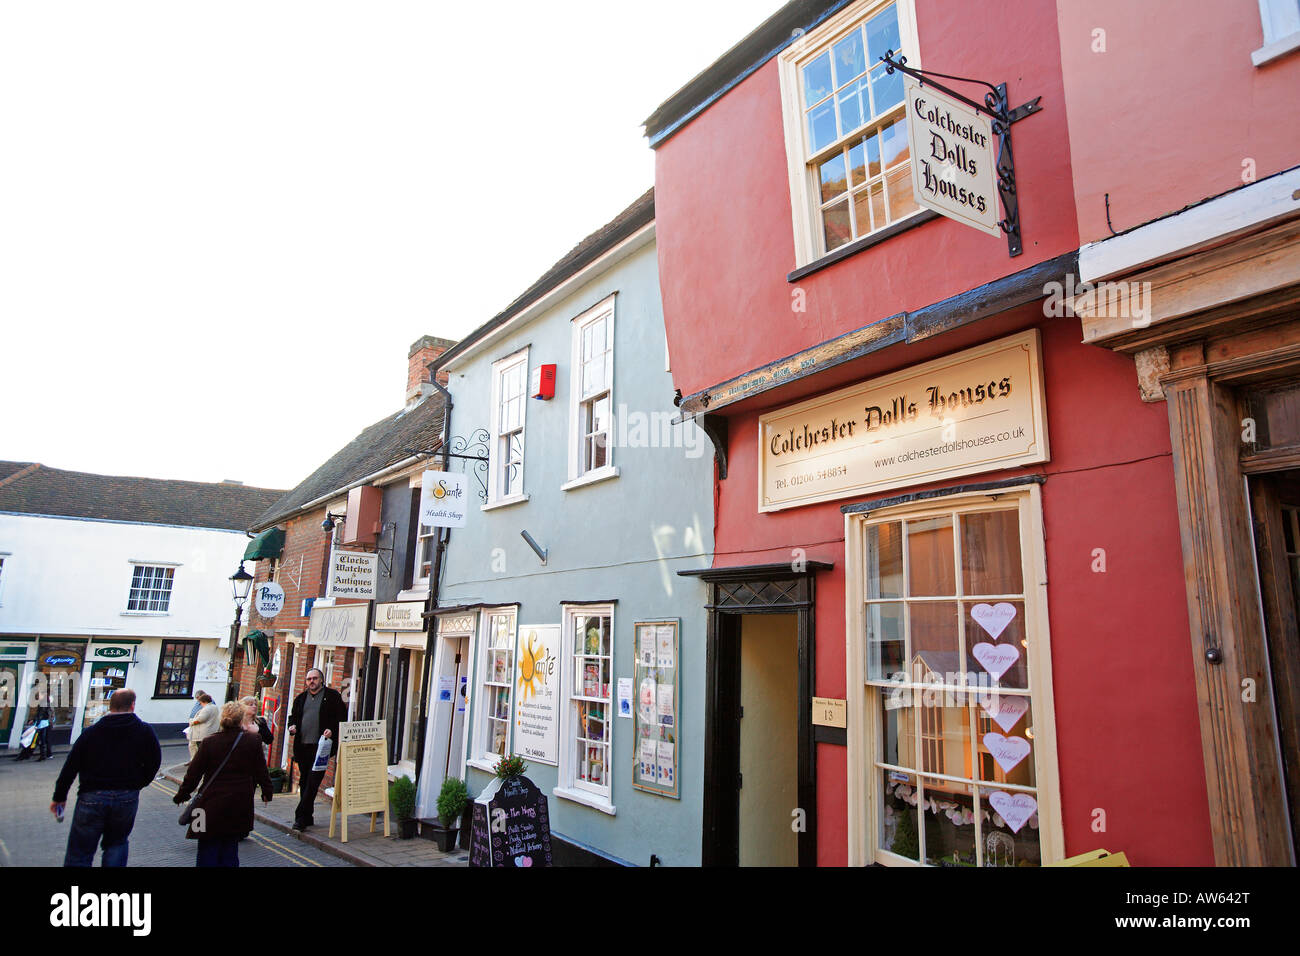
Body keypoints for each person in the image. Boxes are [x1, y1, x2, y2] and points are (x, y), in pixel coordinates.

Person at [49, 688, 162, 867]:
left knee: (80, 851)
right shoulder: (145, 731)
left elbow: (70, 767)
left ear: (110, 706)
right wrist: (138, 784)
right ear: (133, 705)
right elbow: (154, 762)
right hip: (126, 796)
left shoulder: (91, 732)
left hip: (91, 796)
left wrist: (59, 797)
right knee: (117, 844)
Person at [173, 701, 273, 867]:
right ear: (241, 720)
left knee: (205, 848)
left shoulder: (209, 742)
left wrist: (182, 795)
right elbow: (261, 771)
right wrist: (267, 792)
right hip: (238, 803)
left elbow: (193, 774)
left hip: (207, 804)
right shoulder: (252, 741)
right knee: (230, 847)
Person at [286, 668, 346, 831]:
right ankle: (308, 816)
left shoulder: (332, 697)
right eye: (308, 679)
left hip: (321, 748)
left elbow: (342, 718)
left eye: (314, 678)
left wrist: (332, 730)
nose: (311, 681)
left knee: (313, 782)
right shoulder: (301, 699)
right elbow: (293, 717)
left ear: (321, 680)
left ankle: (300, 818)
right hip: (303, 746)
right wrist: (292, 726)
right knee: (305, 781)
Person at [187, 692, 219, 762]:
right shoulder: (214, 707)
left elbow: (200, 719)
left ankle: (200, 763)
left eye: (200, 702)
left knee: (201, 749)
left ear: (204, 701)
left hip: (202, 733)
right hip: (209, 731)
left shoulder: (207, 708)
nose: (200, 704)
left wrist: (191, 721)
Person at [31, 687, 54, 761]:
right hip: (46, 723)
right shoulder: (47, 702)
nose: (38, 696)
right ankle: (47, 754)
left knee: (41, 740)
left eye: (39, 694)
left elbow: (40, 715)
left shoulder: (43, 703)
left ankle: (43, 755)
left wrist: (36, 723)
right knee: (45, 739)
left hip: (43, 724)